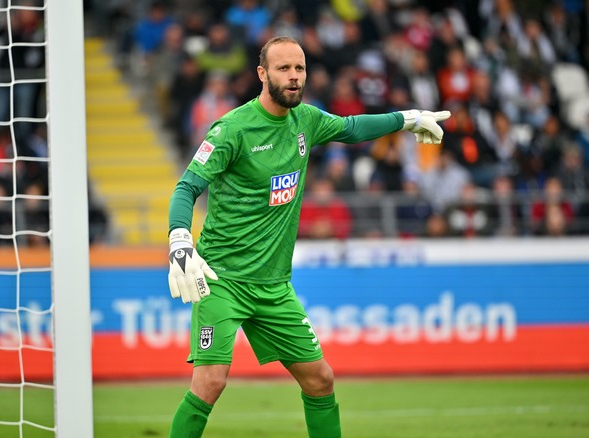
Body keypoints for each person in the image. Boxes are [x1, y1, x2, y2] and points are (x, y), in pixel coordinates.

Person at [166, 36, 450, 438]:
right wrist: (180, 239)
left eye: (299, 68)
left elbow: (353, 128)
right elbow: (186, 187)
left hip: (274, 287)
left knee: (320, 380)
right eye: (284, 68)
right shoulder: (232, 129)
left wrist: (406, 119)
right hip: (221, 280)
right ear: (263, 74)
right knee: (210, 383)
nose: (294, 76)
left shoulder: (307, 121)